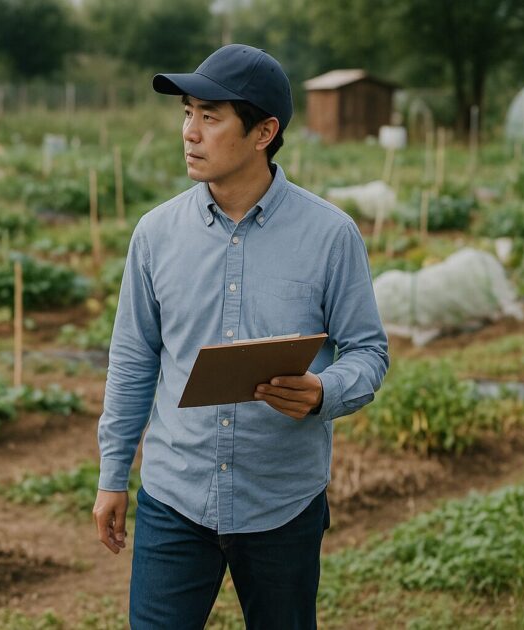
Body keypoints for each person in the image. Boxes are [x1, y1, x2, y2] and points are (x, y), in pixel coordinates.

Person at [91, 44, 389, 629]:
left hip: (282, 503)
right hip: (174, 499)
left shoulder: (331, 236)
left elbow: (368, 350)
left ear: (263, 132)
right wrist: (112, 477)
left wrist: (323, 392)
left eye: (210, 116)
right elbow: (132, 361)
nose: (189, 133)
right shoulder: (154, 236)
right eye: (186, 113)